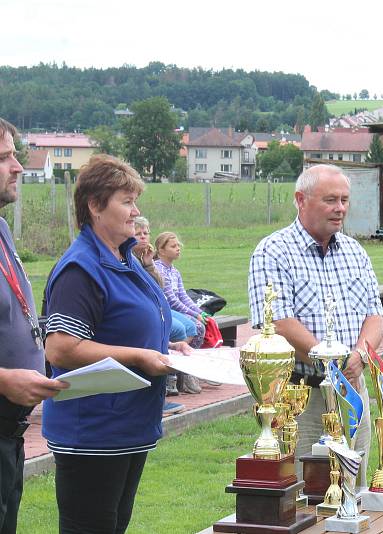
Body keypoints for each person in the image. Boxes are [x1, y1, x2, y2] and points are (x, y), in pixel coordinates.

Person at [43, 154, 190, 534]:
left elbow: (128, 326)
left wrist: (166, 350)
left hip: (127, 427)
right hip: (93, 432)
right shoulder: (82, 268)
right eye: (126, 201)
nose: (136, 211)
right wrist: (140, 356)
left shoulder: (123, 259)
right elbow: (61, 348)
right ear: (95, 205)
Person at [248, 164, 383, 488]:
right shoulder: (273, 251)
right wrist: (330, 361)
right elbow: (278, 322)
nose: (340, 209)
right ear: (301, 200)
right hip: (301, 398)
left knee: (353, 489)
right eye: (331, 200)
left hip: (352, 390)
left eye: (345, 200)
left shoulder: (355, 252)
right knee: (303, 494)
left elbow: (374, 315)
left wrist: (361, 356)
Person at [0, 118, 68, 533]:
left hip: (10, 435)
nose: (19, 167)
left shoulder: (3, 229)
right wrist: (4, 379)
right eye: (5, 157)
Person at [132, 217, 184, 414]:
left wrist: (148, 265)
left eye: (146, 233)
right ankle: (165, 389)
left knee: (185, 328)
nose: (144, 237)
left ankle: (169, 386)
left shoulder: (143, 260)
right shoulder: (126, 258)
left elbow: (157, 286)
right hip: (146, 320)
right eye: (139, 233)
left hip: (157, 316)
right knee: (179, 329)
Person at [154, 231, 206, 394]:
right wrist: (194, 315)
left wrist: (200, 312)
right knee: (195, 327)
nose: (178, 249)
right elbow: (171, 300)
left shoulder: (174, 271)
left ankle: (185, 371)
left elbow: (183, 295)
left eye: (178, 246)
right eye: (173, 246)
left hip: (175, 309)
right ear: (161, 250)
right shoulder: (158, 269)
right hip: (166, 308)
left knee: (201, 325)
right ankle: (176, 371)